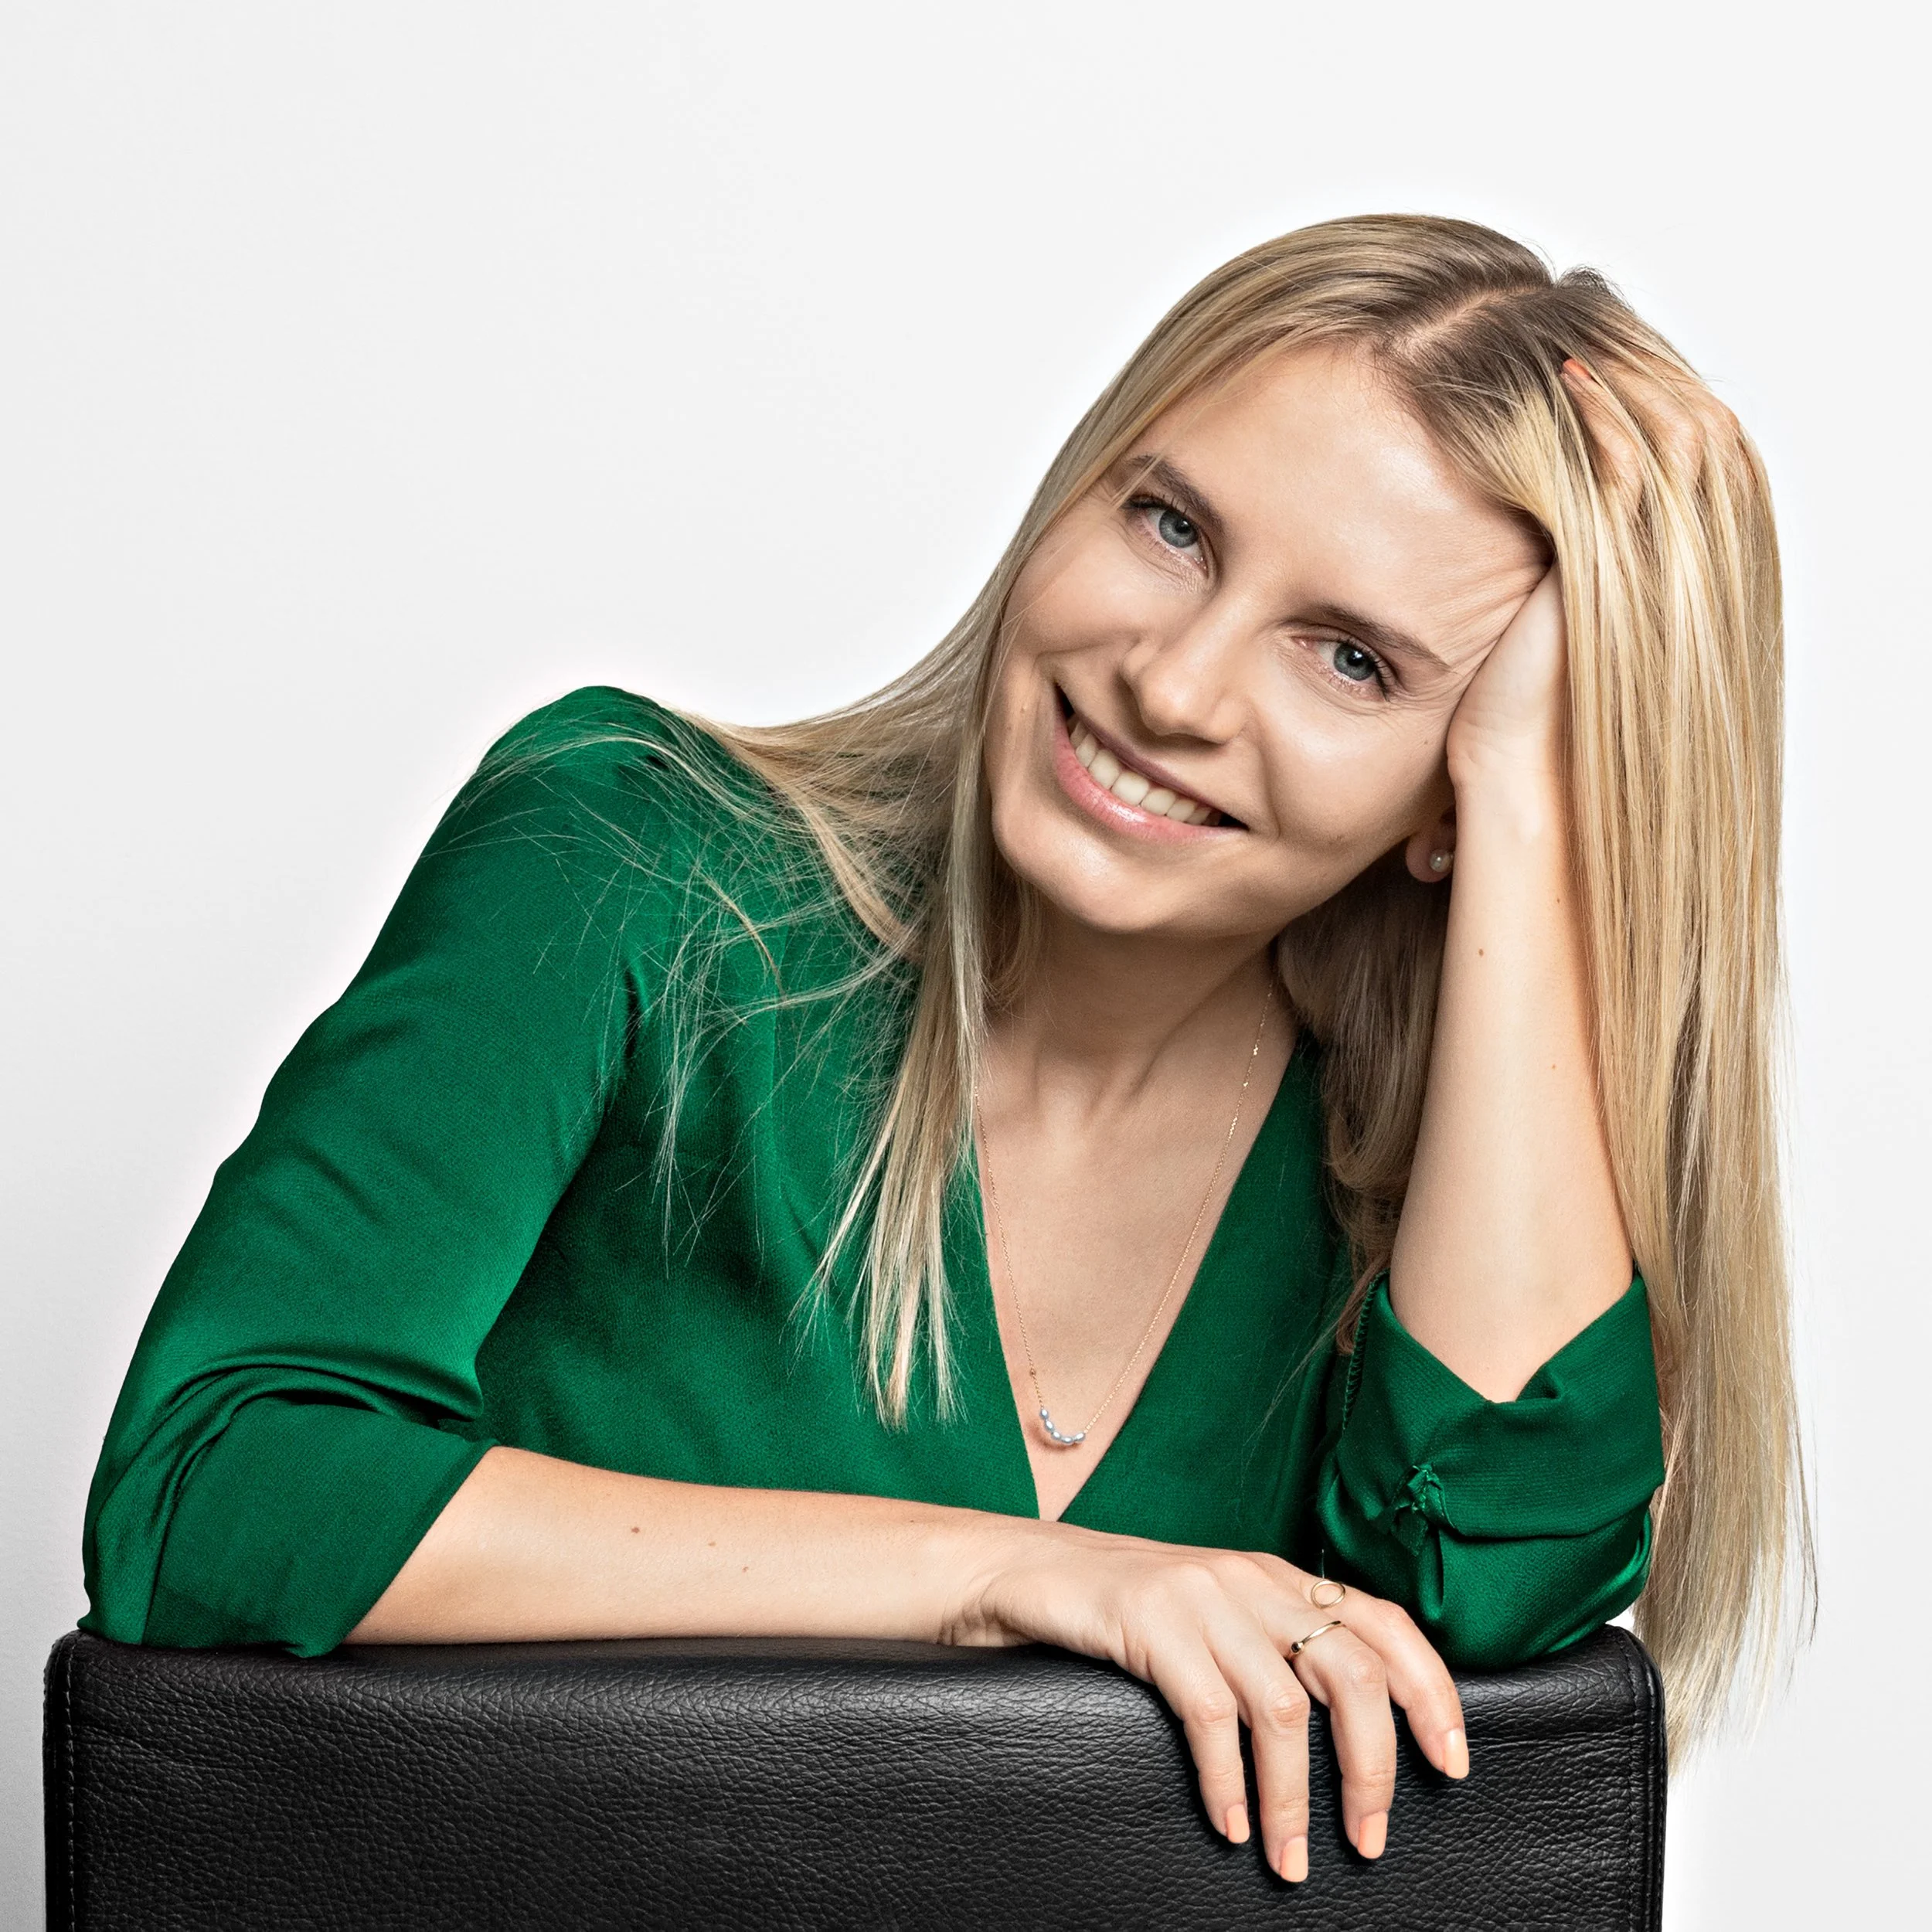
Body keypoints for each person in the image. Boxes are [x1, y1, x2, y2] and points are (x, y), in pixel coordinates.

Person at [81, 215, 1804, 1886]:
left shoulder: (1403, 1176)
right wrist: (1013, 1581)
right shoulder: (627, 860)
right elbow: (210, 1484)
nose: (1176, 681)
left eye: (1350, 659)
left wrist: (1539, 798)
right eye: (1170, 524)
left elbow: (1483, 1604)